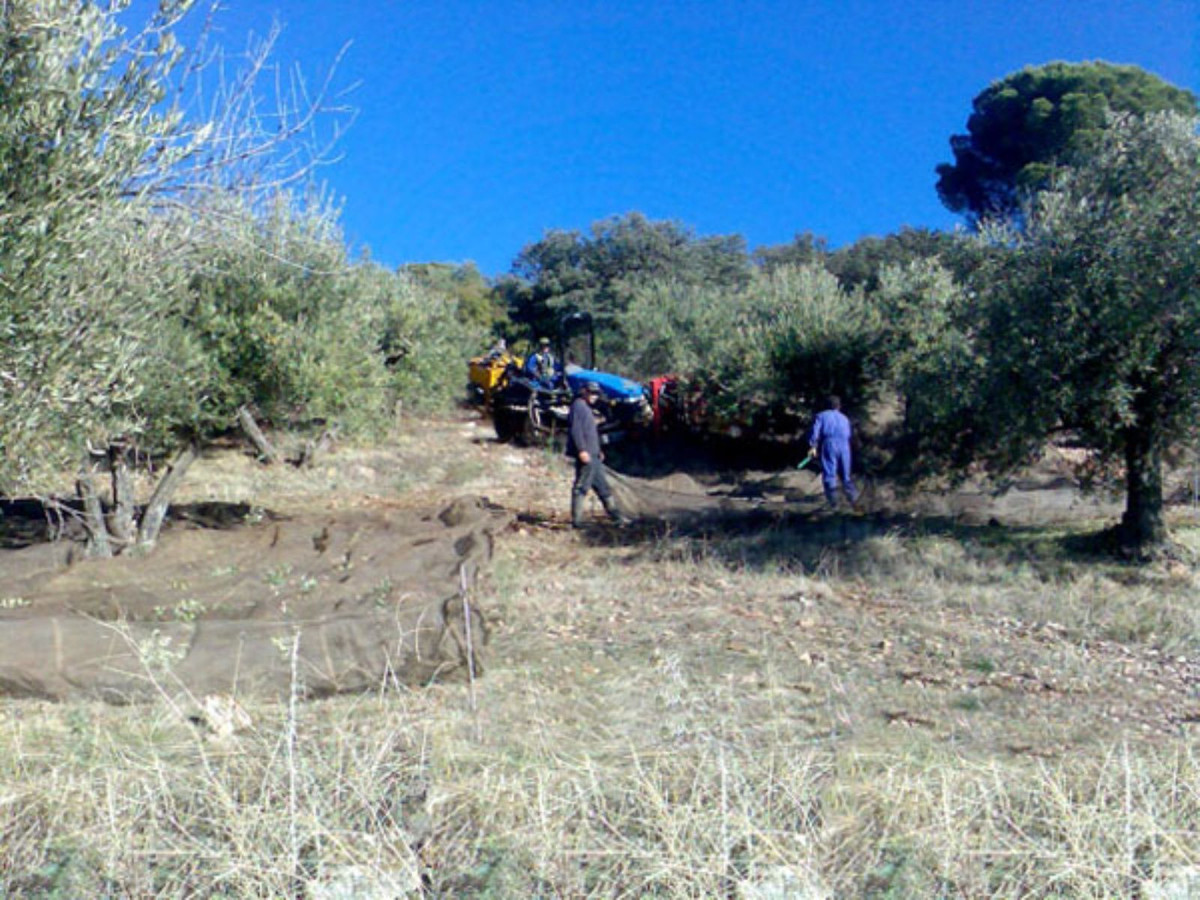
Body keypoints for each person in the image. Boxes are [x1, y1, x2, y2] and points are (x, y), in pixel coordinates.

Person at [566, 381, 629, 527]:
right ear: (584, 391)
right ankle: (577, 522)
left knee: (603, 487)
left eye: (596, 393)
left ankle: (617, 518)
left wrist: (598, 450)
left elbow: (591, 433)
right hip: (586, 455)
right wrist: (582, 450)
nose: (594, 396)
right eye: (591, 392)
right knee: (581, 487)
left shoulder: (586, 408)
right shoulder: (578, 406)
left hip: (593, 454)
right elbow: (576, 431)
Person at [807, 395, 859, 510]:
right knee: (846, 475)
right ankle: (855, 502)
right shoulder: (844, 418)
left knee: (830, 473)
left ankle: (834, 504)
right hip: (845, 445)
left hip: (830, 443)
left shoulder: (821, 416)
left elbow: (815, 432)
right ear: (838, 406)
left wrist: (813, 446)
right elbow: (850, 434)